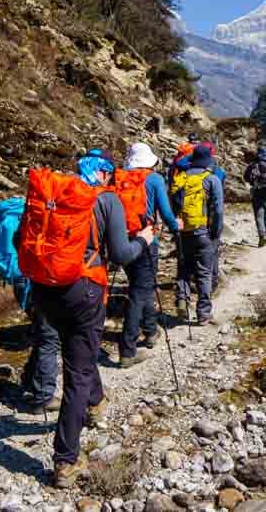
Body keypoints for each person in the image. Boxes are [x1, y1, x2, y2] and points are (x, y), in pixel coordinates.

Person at [18, 150, 154, 489]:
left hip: (44, 289)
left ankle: (96, 402)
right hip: (84, 290)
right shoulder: (107, 200)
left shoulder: (53, 194)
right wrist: (144, 240)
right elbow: (122, 255)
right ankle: (66, 460)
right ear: (106, 174)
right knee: (78, 368)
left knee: (78, 350)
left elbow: (18, 240)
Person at [114, 142, 182, 368]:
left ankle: (151, 331)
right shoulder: (154, 179)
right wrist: (175, 227)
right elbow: (165, 210)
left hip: (122, 240)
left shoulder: (119, 178)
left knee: (140, 286)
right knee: (139, 291)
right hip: (145, 239)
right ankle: (127, 350)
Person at [170, 144, 224, 324]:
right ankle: (203, 313)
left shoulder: (181, 178)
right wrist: (215, 233)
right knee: (204, 272)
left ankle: (182, 302)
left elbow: (173, 205)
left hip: (182, 231)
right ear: (208, 160)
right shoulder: (212, 179)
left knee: (183, 269)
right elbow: (217, 210)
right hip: (203, 232)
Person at [244, 146, 266, 246]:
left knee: (259, 215)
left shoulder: (254, 164)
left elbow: (246, 177)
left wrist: (252, 183)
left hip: (257, 192)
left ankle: (262, 237)